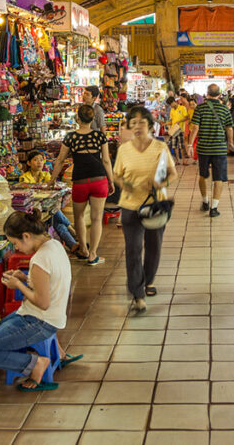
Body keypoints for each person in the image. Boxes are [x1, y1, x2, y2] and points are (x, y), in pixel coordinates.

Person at [0, 210, 82, 391]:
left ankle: (34, 363)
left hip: (39, 322)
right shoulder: (54, 245)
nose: (16, 248)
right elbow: (49, 284)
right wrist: (23, 278)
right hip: (44, 317)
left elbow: (43, 302)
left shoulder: (39, 260)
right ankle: (44, 356)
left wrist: (17, 286)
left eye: (15, 243)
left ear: (26, 236)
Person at [114, 105, 178, 314]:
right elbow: (117, 175)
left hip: (154, 205)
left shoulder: (160, 148)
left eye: (142, 122)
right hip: (130, 206)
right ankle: (137, 294)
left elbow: (171, 172)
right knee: (132, 249)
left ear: (150, 126)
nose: (137, 126)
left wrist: (160, 183)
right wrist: (125, 185)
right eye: (133, 123)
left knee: (154, 246)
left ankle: (148, 280)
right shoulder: (124, 150)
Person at [50, 104, 116, 266]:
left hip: (79, 181)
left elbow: (59, 160)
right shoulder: (100, 137)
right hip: (99, 180)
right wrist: (111, 180)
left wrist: (51, 181)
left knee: (78, 216)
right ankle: (93, 254)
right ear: (93, 119)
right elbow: (106, 160)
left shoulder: (71, 137)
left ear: (77, 118)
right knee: (95, 219)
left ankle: (83, 251)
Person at [20, 151, 82, 258]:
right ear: (29, 163)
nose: (39, 162)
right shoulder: (24, 177)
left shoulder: (46, 174)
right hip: (33, 210)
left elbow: (51, 190)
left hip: (45, 208)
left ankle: (73, 245)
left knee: (55, 218)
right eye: (35, 160)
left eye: (41, 159)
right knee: (55, 214)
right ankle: (71, 232)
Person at [188, 84, 234, 217]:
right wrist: (230, 142)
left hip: (203, 148)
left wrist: (190, 145)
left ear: (206, 94)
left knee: (203, 175)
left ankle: (205, 202)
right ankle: (214, 208)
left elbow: (195, 127)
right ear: (219, 95)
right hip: (219, 149)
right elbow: (229, 128)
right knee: (218, 177)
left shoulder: (200, 108)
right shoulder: (225, 109)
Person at [167, 96, 190, 166]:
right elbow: (171, 121)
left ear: (174, 102)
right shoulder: (172, 110)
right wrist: (167, 124)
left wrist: (179, 121)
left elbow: (187, 117)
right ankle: (177, 160)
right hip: (174, 130)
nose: (171, 106)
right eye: (170, 105)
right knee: (174, 146)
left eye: (171, 104)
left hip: (180, 130)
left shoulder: (182, 108)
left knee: (181, 146)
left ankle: (183, 160)